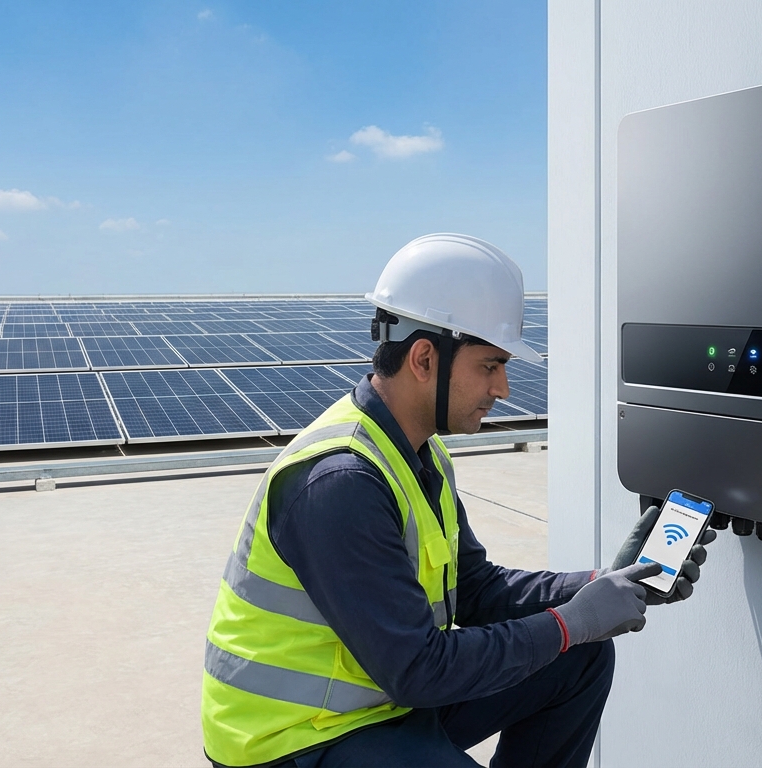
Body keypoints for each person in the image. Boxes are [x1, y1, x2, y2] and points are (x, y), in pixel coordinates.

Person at [201, 233, 714, 768]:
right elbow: (420, 670)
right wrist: (569, 622)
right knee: (569, 639)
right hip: (296, 738)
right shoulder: (340, 481)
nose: (504, 388)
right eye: (490, 366)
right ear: (425, 358)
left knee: (580, 658)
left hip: (380, 702)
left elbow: (475, 589)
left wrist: (600, 584)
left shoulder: (419, 453)